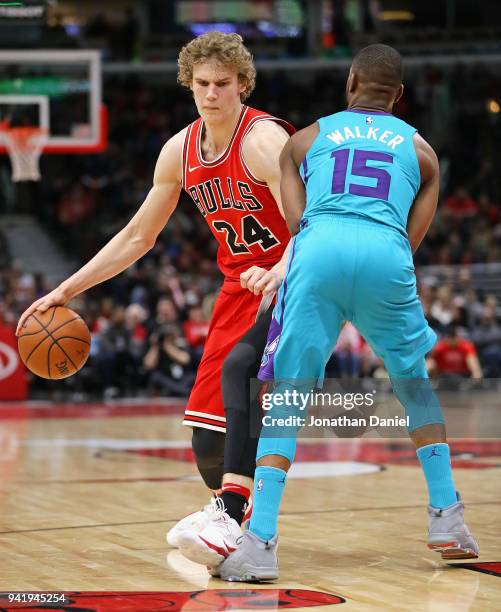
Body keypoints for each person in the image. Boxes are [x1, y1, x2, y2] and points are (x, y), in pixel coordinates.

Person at [16, 31, 294, 550]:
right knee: (206, 437)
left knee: (243, 392)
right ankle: (229, 512)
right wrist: (66, 290)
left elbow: (312, 221)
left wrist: (281, 268)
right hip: (240, 288)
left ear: (243, 86)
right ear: (189, 85)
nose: (212, 94)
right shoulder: (179, 151)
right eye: (203, 84)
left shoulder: (262, 141)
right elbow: (138, 236)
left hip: (293, 279)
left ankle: (245, 526)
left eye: (224, 84)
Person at [218, 44, 479, 582]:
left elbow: (295, 218)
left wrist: (316, 242)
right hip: (388, 251)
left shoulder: (307, 137)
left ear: (351, 80)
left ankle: (260, 542)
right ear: (399, 95)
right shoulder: (423, 150)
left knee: (289, 392)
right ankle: (447, 519)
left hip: (319, 248)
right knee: (413, 384)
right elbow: (415, 233)